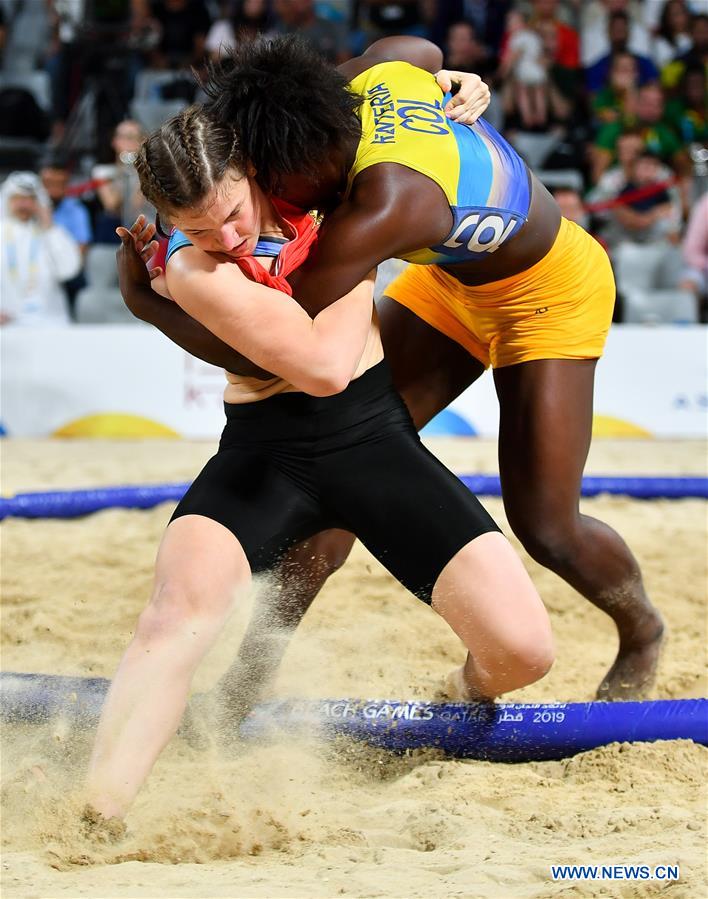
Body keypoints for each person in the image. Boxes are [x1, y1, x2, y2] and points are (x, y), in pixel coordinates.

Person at [119, 35, 664, 711]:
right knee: (337, 452)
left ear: (315, 167)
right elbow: (415, 49)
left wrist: (149, 303)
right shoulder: (352, 94)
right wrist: (456, 75)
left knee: (547, 526)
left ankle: (642, 630)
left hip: (549, 288)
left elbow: (270, 350)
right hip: (449, 281)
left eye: (276, 187)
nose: (271, 206)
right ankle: (255, 668)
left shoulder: (384, 202)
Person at [85, 103, 553, 824]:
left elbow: (381, 65)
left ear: (252, 171)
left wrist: (455, 82)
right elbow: (324, 367)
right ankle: (97, 811)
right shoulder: (189, 269)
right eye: (201, 228)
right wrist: (358, 245)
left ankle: (459, 695)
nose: (228, 238)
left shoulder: (313, 177)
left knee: (524, 650)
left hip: (373, 440)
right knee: (174, 614)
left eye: (234, 214)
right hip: (265, 449)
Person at [0, 171, 80, 326]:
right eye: (17, 198)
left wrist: (49, 227)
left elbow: (69, 270)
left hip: (50, 321)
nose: (23, 204)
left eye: (29, 199)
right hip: (6, 325)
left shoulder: (53, 233)